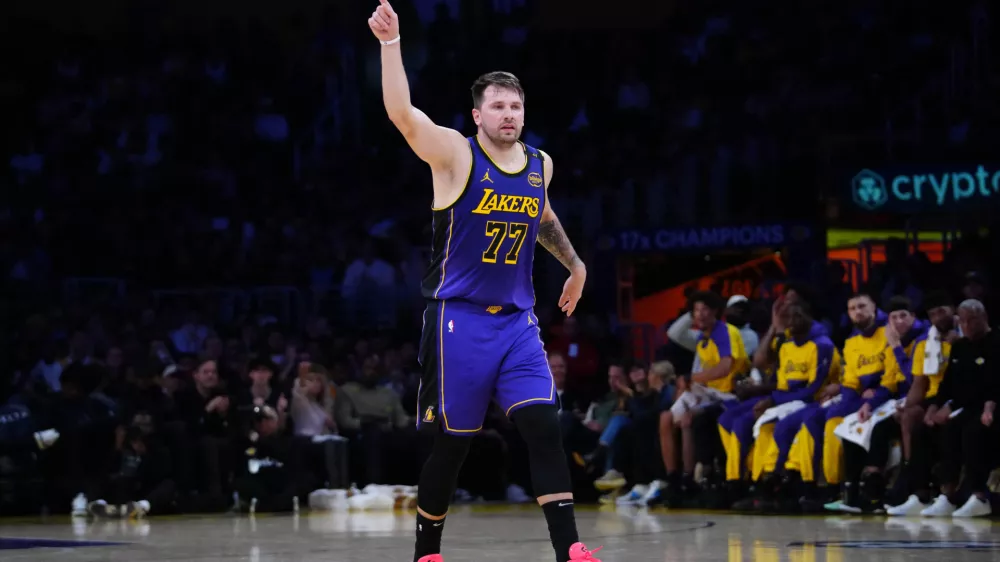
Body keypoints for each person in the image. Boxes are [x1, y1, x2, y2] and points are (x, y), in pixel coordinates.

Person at [367, 2, 598, 562]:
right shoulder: (454, 155)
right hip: (458, 318)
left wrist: (576, 264)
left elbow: (539, 218)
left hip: (517, 322)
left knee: (545, 425)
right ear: (477, 115)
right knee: (453, 445)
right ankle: (428, 552)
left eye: (516, 105)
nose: (509, 114)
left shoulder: (539, 164)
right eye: (497, 106)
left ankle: (571, 551)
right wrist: (391, 45)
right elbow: (402, 114)